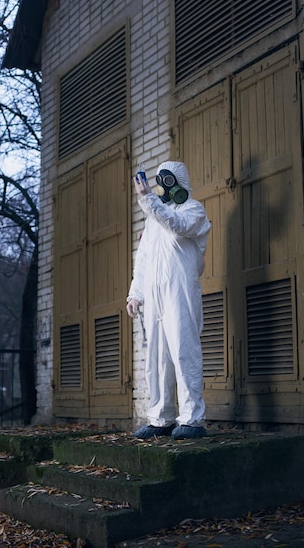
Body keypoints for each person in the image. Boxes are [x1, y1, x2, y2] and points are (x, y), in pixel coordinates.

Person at [126, 160, 211, 440]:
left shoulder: (193, 210)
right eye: (159, 180)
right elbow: (144, 260)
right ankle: (160, 418)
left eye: (167, 180)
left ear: (178, 182)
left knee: (184, 350)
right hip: (154, 296)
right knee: (157, 358)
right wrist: (135, 293)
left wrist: (148, 199)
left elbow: (177, 225)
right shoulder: (153, 219)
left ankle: (192, 418)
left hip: (180, 292)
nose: (162, 186)